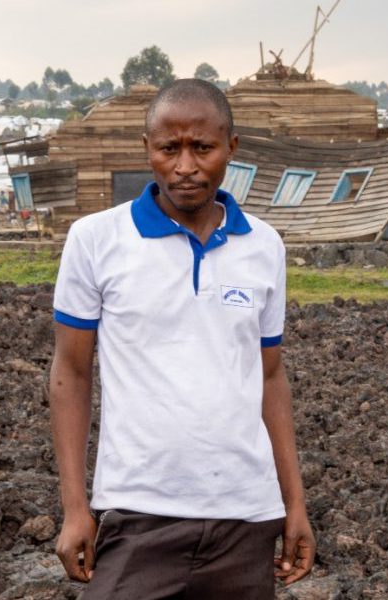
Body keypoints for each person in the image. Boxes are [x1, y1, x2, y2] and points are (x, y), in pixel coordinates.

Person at [49, 79, 315, 599]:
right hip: (138, 514)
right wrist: (75, 508)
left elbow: (269, 375)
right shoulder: (95, 240)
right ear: (147, 148)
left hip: (245, 518)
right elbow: (71, 373)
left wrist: (294, 504)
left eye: (203, 148)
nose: (186, 166)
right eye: (169, 148)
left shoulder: (264, 246)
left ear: (231, 148)